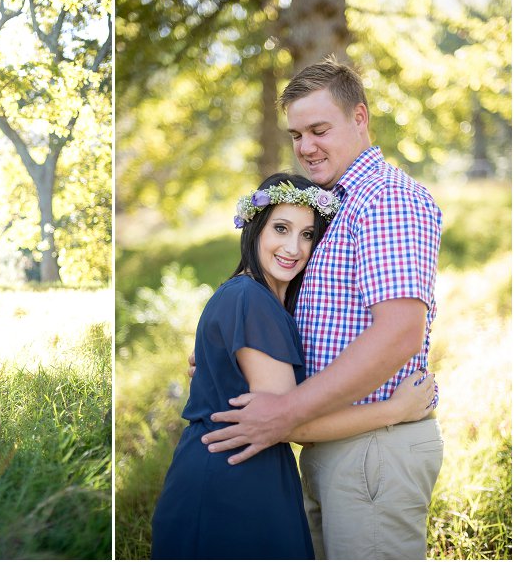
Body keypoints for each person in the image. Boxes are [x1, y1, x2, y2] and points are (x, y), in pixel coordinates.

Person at [197, 56, 444, 559]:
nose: (306, 147)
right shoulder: (333, 206)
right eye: (296, 135)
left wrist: (286, 411)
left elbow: (400, 333)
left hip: (374, 448)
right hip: (329, 442)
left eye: (319, 129)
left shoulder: (386, 200)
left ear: (359, 118)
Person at [152, 173, 436, 560]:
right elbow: (289, 421)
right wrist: (394, 410)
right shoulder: (250, 299)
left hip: (256, 474)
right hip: (229, 483)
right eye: (281, 228)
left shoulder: (268, 303)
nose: (293, 247)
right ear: (254, 229)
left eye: (307, 235)